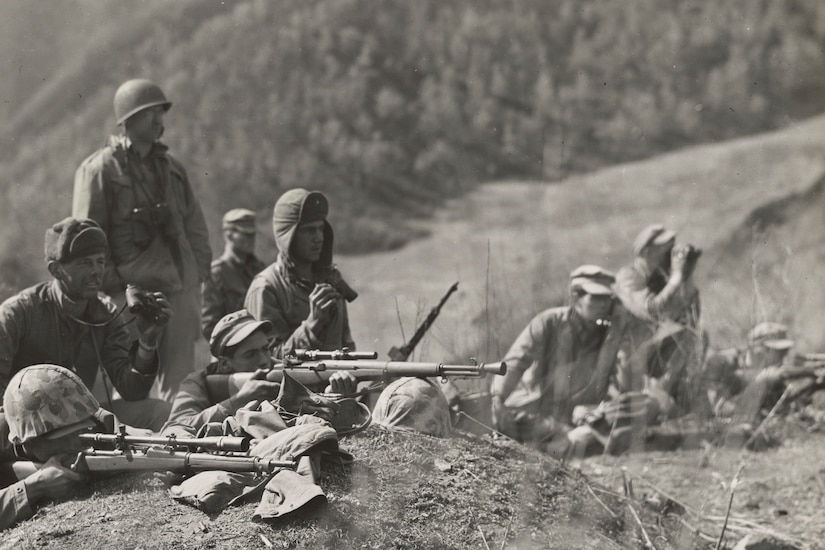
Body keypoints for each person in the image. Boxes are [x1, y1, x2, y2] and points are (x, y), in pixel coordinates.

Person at [73, 78, 212, 400]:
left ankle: (180, 440)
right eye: (149, 113)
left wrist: (196, 279)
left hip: (176, 292)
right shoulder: (100, 170)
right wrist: (112, 291)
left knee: (181, 385)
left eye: (161, 113)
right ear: (127, 120)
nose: (159, 120)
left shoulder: (172, 168)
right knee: (131, 384)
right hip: (127, 297)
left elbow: (195, 227)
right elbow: (86, 239)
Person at [0, 218, 172, 431]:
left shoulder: (106, 315)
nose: (96, 271)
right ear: (56, 270)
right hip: (28, 422)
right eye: (84, 263)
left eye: (100, 262)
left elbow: (132, 391)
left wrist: (147, 341)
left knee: (160, 413)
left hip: (81, 419)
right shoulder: (19, 312)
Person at [490, 265, 629, 455]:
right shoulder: (549, 322)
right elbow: (515, 362)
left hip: (580, 414)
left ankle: (568, 441)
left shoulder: (609, 333)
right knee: (516, 421)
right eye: (595, 298)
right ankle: (561, 443)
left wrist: (619, 330)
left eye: (607, 299)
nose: (603, 305)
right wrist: (498, 397)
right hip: (538, 412)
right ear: (576, 297)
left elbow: (624, 384)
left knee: (638, 407)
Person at [162, 310, 358, 437]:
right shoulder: (199, 383)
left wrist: (336, 396)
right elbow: (177, 428)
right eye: (250, 354)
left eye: (266, 349)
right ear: (224, 365)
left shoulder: (282, 372)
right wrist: (238, 400)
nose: (264, 360)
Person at [245, 189, 355, 358]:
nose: (319, 238)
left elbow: (346, 343)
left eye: (320, 229)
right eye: (309, 231)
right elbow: (267, 359)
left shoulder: (331, 279)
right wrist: (312, 325)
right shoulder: (266, 288)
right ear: (289, 236)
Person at [613, 224, 705, 419]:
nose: (670, 253)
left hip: (647, 356)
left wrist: (687, 277)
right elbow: (650, 310)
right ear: (646, 251)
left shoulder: (662, 280)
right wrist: (677, 277)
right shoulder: (628, 277)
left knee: (693, 336)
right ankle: (661, 398)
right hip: (621, 362)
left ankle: (669, 394)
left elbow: (691, 319)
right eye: (665, 249)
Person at [0, 364, 104, 530]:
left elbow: (135, 436)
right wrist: (35, 486)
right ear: (27, 441)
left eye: (81, 430)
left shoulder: (74, 408)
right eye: (63, 435)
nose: (76, 442)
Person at [201, 209, 266, 341]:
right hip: (231, 352)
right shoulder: (216, 274)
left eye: (253, 234)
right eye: (246, 234)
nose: (252, 239)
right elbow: (209, 327)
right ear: (229, 235)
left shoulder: (259, 269)